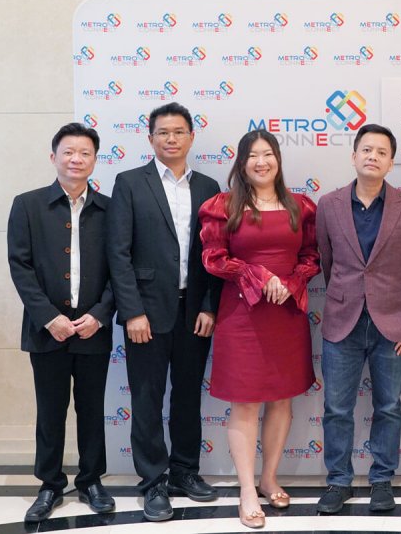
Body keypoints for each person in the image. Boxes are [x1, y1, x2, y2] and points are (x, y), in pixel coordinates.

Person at [198, 129, 321, 530]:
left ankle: (269, 478)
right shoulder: (223, 206)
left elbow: (311, 256)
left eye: (268, 154)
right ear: (241, 162)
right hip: (241, 315)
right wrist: (257, 275)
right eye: (252, 155)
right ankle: (247, 490)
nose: (261, 162)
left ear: (278, 160)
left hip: (286, 313)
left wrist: (291, 281)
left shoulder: (300, 206)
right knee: (246, 402)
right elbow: (213, 257)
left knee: (282, 399)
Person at [107, 102, 223, 522]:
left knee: (188, 395)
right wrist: (132, 312)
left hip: (194, 311)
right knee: (147, 397)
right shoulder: (129, 183)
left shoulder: (209, 186)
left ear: (191, 136)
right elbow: (117, 253)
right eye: (163, 132)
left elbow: (216, 253)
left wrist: (209, 306)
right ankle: (153, 480)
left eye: (178, 132)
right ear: (150, 138)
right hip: (146, 314)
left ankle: (185, 471)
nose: (170, 139)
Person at [314, 124, 401, 513]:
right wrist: (344, 295)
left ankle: (382, 479)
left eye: (381, 152)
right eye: (366, 149)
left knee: (389, 407)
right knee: (336, 409)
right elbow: (328, 263)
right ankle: (338, 481)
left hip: (394, 323)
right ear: (353, 155)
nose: (373, 157)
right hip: (341, 321)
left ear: (391, 162)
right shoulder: (328, 205)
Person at [7, 122, 116, 522]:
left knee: (91, 409)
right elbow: (20, 266)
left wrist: (100, 315)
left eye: (85, 153)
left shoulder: (110, 209)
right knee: (50, 410)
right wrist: (48, 317)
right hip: (46, 329)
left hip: (92, 328)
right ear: (53, 157)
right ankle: (50, 484)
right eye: (68, 152)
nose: (76, 159)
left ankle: (91, 480)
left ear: (95, 160)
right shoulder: (28, 205)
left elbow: (120, 270)